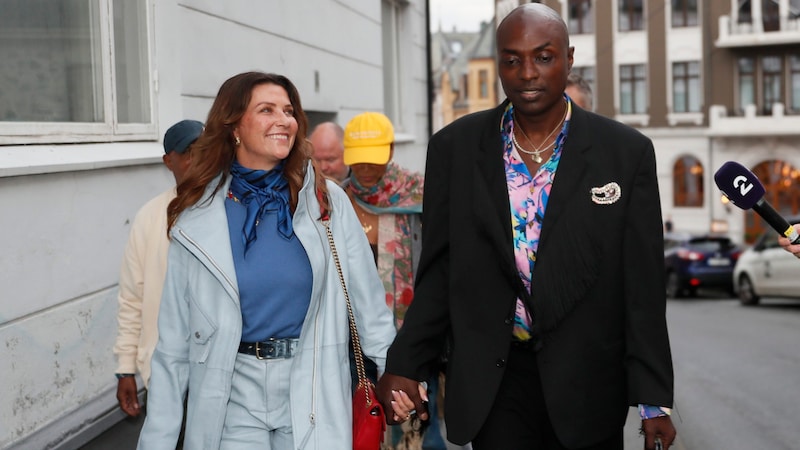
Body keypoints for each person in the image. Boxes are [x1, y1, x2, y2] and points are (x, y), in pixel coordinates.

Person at [376, 4, 676, 450]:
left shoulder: (625, 153)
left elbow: (643, 285)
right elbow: (440, 271)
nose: (528, 73)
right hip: (494, 379)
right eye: (512, 59)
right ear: (498, 64)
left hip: (588, 384)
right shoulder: (453, 150)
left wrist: (654, 398)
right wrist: (407, 361)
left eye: (544, 56)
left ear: (569, 58)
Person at [137, 72, 397, 449]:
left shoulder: (326, 202)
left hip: (312, 384)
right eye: (267, 110)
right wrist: (156, 441)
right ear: (234, 127)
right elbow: (173, 347)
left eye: (289, 111)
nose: (284, 120)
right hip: (231, 394)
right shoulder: (197, 217)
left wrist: (398, 376)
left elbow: (370, 306)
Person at [342, 112, 447, 450]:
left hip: (411, 335)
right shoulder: (337, 201)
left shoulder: (418, 192)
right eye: (359, 162)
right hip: (354, 342)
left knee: (417, 428)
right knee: (364, 427)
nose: (367, 170)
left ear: (389, 151)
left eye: (373, 160)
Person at [113, 119, 203, 418]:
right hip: (168, 374)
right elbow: (132, 298)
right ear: (169, 161)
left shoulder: (234, 208)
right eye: (189, 151)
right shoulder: (150, 217)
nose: (199, 158)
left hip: (226, 374)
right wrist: (126, 368)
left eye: (206, 149)